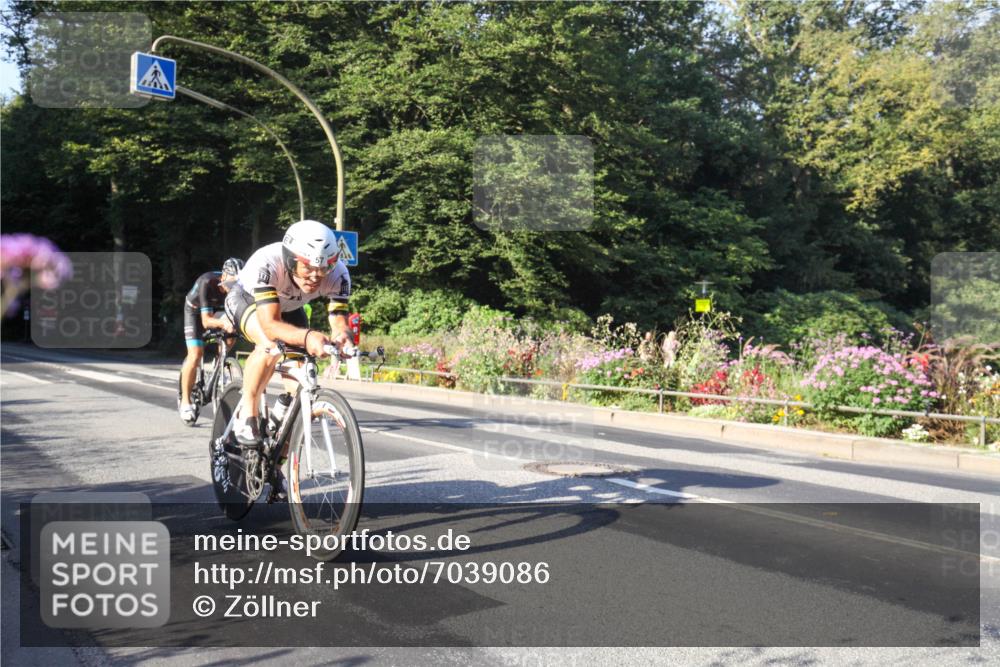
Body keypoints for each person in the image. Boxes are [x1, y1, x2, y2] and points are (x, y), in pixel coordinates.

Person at [224, 219, 352, 446]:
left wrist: (342, 334)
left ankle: (279, 465)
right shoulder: (268, 263)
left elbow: (338, 317)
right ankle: (247, 412)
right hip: (247, 299)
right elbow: (271, 325)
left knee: (299, 393)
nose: (316, 275)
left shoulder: (339, 274)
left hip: (290, 308)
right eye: (309, 267)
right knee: (269, 345)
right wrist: (307, 336)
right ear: (291, 260)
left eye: (324, 267)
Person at [179, 258, 243, 423]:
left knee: (231, 335)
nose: (234, 288)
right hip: (195, 311)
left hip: (219, 310)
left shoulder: (241, 288)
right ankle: (186, 402)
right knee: (195, 354)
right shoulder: (207, 282)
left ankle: (219, 365)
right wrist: (223, 323)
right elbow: (206, 321)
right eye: (232, 283)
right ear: (223, 277)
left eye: (238, 284)